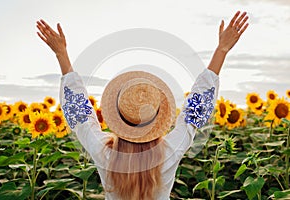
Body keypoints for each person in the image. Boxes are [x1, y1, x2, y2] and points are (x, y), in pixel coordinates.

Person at [36, 11, 249, 200]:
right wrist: (221, 50)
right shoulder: (170, 151)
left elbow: (81, 116)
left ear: (118, 116)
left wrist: (61, 54)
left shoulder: (104, 153)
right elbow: (195, 110)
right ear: (157, 118)